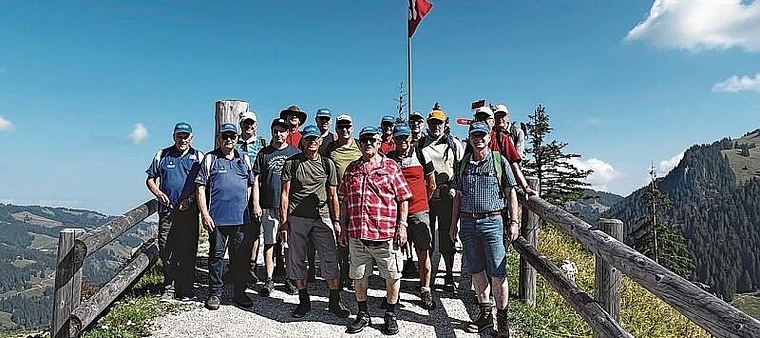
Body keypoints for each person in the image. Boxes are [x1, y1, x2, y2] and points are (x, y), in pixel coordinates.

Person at [339, 126, 412, 336]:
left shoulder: (391, 167)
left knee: (392, 277)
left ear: (379, 143)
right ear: (359, 143)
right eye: (364, 140)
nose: (368, 143)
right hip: (358, 235)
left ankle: (390, 314)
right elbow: (344, 200)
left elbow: (403, 199)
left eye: (372, 140)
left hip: (386, 235)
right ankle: (363, 314)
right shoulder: (352, 169)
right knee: (359, 277)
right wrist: (343, 228)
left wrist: (402, 225)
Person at [449, 121, 519, 338]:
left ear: (489, 137)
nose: (478, 138)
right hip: (468, 223)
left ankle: (503, 321)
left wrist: (514, 221)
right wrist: (453, 225)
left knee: (498, 272)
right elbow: (458, 197)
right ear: (469, 138)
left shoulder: (500, 161)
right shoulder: (463, 164)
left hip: (493, 222)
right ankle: (485, 315)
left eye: (482, 135)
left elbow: (511, 193)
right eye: (474, 135)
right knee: (477, 270)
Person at [280, 125, 349, 318]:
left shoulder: (328, 164)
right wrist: (284, 222)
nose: (311, 142)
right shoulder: (292, 163)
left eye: (315, 139)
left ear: (320, 141)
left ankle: (334, 300)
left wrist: (336, 220)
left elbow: (333, 194)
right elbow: (284, 194)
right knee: (297, 259)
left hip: (322, 216)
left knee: (330, 259)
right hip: (297, 217)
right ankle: (303, 301)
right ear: (302, 141)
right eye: (308, 138)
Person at [196, 123, 255, 310]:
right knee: (216, 257)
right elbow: (199, 187)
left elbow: (252, 183)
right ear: (219, 138)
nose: (229, 139)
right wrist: (204, 214)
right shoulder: (210, 159)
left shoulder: (244, 159)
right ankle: (215, 293)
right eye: (225, 136)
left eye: (232, 136)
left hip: (241, 218)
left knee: (240, 258)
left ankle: (239, 293)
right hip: (217, 219)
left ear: (237, 139)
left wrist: (253, 206)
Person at [145, 122, 203, 303]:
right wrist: (159, 194)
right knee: (166, 249)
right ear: (174, 136)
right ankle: (168, 287)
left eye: (186, 136)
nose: (183, 139)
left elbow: (203, 184)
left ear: (191, 138)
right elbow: (150, 179)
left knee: (188, 250)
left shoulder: (198, 156)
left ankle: (185, 288)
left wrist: (191, 199)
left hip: (190, 212)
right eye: (180, 136)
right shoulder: (162, 155)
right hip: (167, 212)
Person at [387, 123, 437, 310]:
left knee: (423, 250)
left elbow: (431, 183)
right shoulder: (389, 158)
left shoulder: (422, 154)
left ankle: (425, 289)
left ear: (411, 137)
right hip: (396, 211)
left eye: (406, 137)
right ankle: (393, 291)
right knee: (394, 252)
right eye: (399, 138)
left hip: (418, 210)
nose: (403, 141)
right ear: (394, 139)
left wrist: (423, 201)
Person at [417, 105, 465, 292]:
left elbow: (461, 168)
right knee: (425, 236)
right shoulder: (419, 145)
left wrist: (454, 187)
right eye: (433, 123)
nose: (436, 126)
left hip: (446, 196)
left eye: (439, 122)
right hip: (426, 196)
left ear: (445, 124)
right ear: (428, 124)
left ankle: (449, 275)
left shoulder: (454, 144)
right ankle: (425, 277)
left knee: (447, 236)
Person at [251, 118, 301, 297]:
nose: (279, 134)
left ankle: (288, 278)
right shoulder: (264, 153)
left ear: (288, 133)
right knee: (270, 242)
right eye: (276, 130)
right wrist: (256, 203)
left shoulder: (295, 153)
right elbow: (255, 180)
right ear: (272, 131)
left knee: (288, 244)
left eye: (282, 131)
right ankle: (269, 279)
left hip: (289, 208)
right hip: (268, 204)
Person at [324, 114, 362, 289]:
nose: (344, 130)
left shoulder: (360, 146)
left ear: (352, 128)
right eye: (341, 127)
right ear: (336, 129)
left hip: (357, 201)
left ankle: (356, 274)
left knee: (356, 237)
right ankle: (343, 271)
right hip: (337, 199)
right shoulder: (330, 148)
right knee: (340, 236)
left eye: (348, 126)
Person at [473, 106, 535, 197]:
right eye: (479, 119)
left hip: (498, 191)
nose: (482, 121)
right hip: (476, 192)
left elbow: (514, 165)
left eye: (485, 118)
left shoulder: (502, 138)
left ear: (492, 121)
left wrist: (525, 187)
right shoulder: (473, 139)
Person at [236, 111, 267, 284]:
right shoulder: (233, 141)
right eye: (246, 123)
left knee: (254, 230)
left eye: (252, 123)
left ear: (256, 124)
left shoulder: (263, 144)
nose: (249, 126)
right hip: (236, 193)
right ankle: (236, 265)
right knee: (236, 230)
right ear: (241, 124)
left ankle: (251, 266)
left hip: (258, 192)